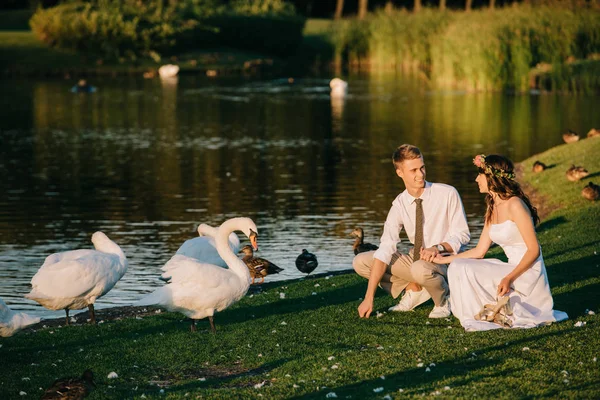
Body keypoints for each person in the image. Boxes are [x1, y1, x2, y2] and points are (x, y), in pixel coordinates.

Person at [433, 154, 568, 331]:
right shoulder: (493, 205)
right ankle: (473, 314)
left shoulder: (515, 205)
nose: (476, 179)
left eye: (479, 175)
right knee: (458, 266)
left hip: (527, 272)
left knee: (463, 267)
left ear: (491, 177)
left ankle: (485, 314)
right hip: (511, 267)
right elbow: (480, 251)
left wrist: (508, 278)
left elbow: (534, 250)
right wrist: (443, 259)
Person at [355, 144, 470, 319]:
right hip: (417, 261)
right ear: (400, 173)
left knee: (419, 268)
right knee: (361, 261)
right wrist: (368, 298)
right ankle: (414, 289)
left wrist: (437, 248)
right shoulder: (399, 203)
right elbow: (386, 247)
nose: (420, 174)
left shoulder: (447, 193)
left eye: (422, 167)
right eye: (413, 170)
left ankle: (443, 299)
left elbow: (462, 235)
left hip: (446, 260)